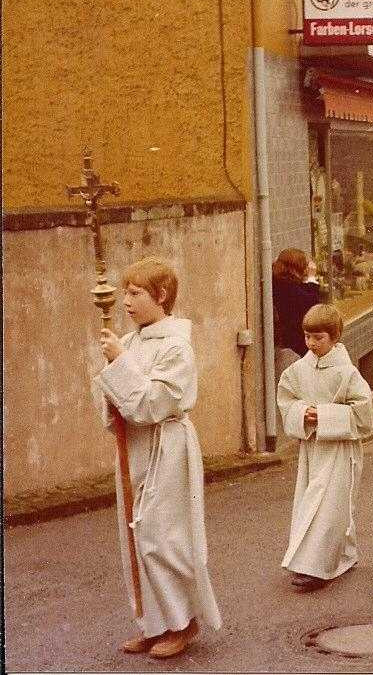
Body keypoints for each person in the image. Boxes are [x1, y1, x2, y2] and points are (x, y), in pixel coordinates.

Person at [95, 257, 221, 658]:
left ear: (162, 296)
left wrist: (119, 365)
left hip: (166, 445)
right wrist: (112, 396)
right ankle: (153, 622)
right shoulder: (130, 342)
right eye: (126, 292)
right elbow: (117, 400)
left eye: (136, 293)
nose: (126, 301)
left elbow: (154, 402)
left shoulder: (176, 346)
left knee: (162, 535)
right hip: (134, 446)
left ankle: (183, 621)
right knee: (134, 535)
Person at [277, 304, 373, 591]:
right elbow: (286, 399)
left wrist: (325, 416)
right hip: (312, 448)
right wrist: (301, 412)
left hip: (339, 448)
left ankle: (317, 567)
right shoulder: (297, 370)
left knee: (330, 505)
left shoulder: (347, 373)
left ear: (334, 337)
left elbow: (362, 411)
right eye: (308, 337)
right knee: (312, 501)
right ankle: (341, 554)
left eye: (319, 337)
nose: (311, 343)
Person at [272, 248, 321, 361]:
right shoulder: (287, 287)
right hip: (294, 342)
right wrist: (311, 278)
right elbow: (312, 306)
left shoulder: (280, 282)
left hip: (289, 338)